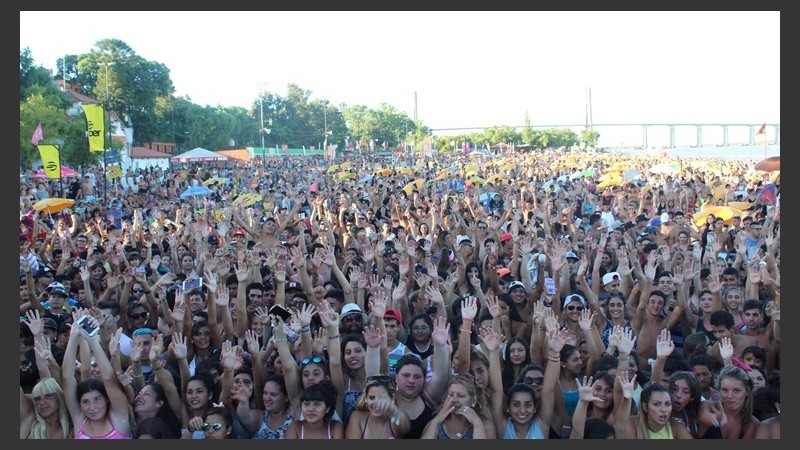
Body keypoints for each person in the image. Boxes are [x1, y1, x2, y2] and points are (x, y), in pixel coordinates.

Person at [62, 313, 133, 439]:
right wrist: (73, 337)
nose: (92, 407)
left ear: (106, 399)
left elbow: (109, 379)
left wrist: (93, 341)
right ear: (79, 404)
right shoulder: (79, 419)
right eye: (85, 402)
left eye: (97, 399)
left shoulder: (119, 417)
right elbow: (67, 378)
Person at [420, 372, 496, 439]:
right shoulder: (434, 424)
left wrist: (477, 423)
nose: (454, 400)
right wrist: (436, 421)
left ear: (473, 401)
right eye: (451, 394)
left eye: (460, 396)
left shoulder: (486, 426)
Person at [345, 374, 410, 439]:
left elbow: (406, 429)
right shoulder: (357, 417)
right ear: (366, 398)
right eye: (372, 398)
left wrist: (394, 409)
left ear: (392, 398)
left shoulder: (396, 418)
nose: (376, 403)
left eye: (382, 398)